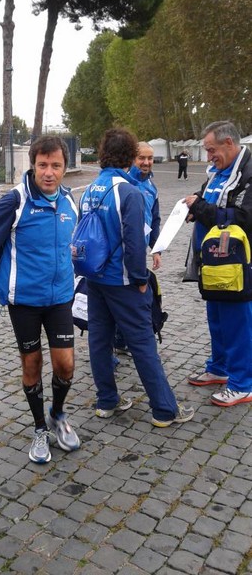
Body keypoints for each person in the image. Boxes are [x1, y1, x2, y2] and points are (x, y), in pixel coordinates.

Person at [0, 135, 80, 463]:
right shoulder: (13, 201)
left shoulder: (71, 201)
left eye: (55, 165)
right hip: (24, 301)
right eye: (42, 165)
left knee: (66, 364)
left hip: (60, 298)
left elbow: (74, 244)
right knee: (32, 363)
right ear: (32, 165)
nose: (48, 172)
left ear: (64, 168)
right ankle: (39, 427)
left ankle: (58, 415)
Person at [81, 128, 194, 427]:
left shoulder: (90, 189)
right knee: (143, 343)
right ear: (131, 156)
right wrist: (140, 277)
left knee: (99, 340)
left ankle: (107, 400)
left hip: (95, 277)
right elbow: (133, 242)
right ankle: (164, 410)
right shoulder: (128, 191)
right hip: (122, 280)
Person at [184, 121, 252, 406]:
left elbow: (244, 218)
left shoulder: (248, 173)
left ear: (228, 143)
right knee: (217, 318)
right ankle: (220, 368)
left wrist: (199, 208)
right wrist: (193, 207)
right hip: (212, 262)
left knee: (237, 322)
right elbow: (206, 202)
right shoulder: (218, 173)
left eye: (211, 150)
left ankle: (243, 384)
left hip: (236, 264)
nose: (209, 156)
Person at [114, 141, 162, 353]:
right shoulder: (123, 185)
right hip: (119, 252)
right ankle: (114, 341)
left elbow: (155, 220)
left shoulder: (152, 187)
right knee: (120, 298)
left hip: (140, 252)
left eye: (150, 158)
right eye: (141, 158)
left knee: (136, 296)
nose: (146, 162)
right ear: (132, 159)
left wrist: (156, 248)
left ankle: (122, 340)